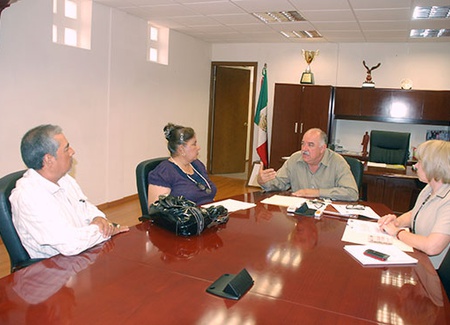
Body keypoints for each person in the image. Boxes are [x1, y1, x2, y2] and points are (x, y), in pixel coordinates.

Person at [10, 124, 128, 259]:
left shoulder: (64, 179)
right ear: (49, 159)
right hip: (53, 270)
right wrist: (107, 230)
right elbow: (70, 244)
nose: (72, 151)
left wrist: (98, 218)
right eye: (66, 149)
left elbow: (86, 208)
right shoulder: (28, 196)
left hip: (83, 255)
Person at [378, 140, 450, 269]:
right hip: (418, 258)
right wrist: (396, 222)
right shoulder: (429, 188)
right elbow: (415, 213)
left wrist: (397, 232)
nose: (415, 166)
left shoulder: (448, 201)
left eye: (420, 162)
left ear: (434, 165)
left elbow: (432, 247)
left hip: (434, 271)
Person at [257, 128, 358, 201]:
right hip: (300, 214)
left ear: (322, 148)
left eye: (310, 145)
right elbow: (279, 183)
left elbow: (352, 193)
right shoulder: (294, 159)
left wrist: (317, 192)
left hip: (327, 218)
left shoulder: (337, 162)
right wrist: (263, 181)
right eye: (303, 144)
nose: (304, 149)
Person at [147, 123, 217, 205]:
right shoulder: (164, 172)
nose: (198, 147)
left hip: (208, 214)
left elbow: (209, 195)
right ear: (181, 149)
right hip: (186, 217)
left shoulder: (197, 165)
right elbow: (156, 210)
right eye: (194, 144)